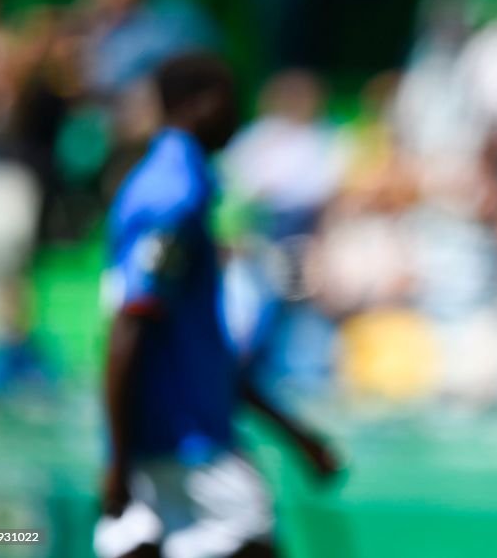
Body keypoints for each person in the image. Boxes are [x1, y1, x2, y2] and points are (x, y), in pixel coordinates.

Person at [96, 53, 338, 558]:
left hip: (178, 435)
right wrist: (117, 461)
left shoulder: (178, 186)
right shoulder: (172, 197)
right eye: (230, 101)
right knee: (251, 541)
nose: (238, 115)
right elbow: (128, 328)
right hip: (183, 441)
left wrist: (295, 435)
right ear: (198, 104)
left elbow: (200, 348)